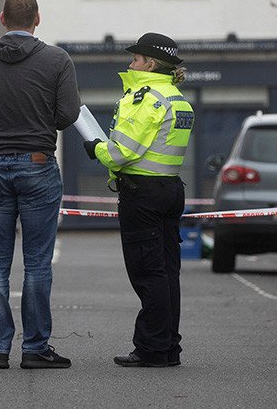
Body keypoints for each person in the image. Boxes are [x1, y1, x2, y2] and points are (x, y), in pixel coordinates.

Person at [0, 0, 81, 369]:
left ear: (1, 19)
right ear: (38, 19)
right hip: (37, 164)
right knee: (37, 263)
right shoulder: (57, 60)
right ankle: (35, 349)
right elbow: (66, 116)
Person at [83, 32, 193, 367]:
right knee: (167, 271)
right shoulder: (178, 98)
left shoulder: (144, 97)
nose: (130, 64)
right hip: (170, 190)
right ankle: (168, 346)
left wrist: (95, 148)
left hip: (142, 195)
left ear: (149, 63)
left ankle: (152, 348)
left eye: (135, 59)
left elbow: (122, 153)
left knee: (147, 273)